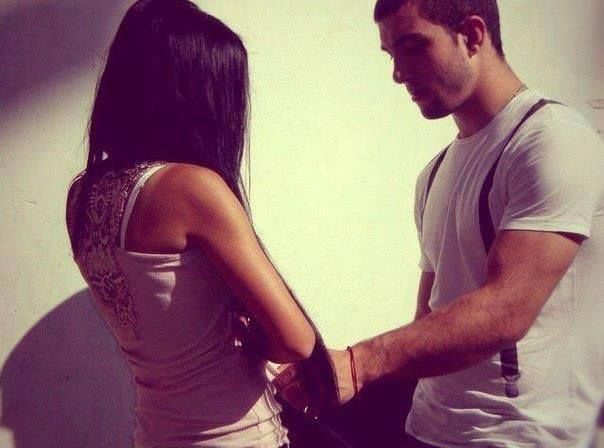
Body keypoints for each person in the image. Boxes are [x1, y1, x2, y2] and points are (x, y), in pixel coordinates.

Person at [275, 1, 604, 447]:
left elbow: (506, 310)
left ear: (472, 36)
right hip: (429, 427)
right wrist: (327, 377)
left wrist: (359, 363)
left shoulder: (551, 141)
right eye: (391, 54)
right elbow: (430, 316)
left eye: (413, 47)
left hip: (522, 435)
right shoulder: (433, 175)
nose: (398, 73)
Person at [65, 1, 325, 446]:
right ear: (200, 98)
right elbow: (296, 341)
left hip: (156, 433)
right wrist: (253, 337)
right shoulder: (191, 188)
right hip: (236, 435)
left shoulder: (84, 193)